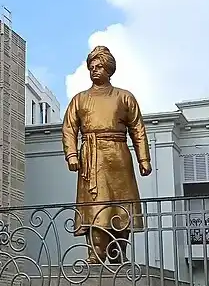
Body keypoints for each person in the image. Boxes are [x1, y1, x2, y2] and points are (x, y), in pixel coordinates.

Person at [61, 45, 152, 263]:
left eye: (99, 66)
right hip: (92, 158)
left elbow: (137, 128)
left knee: (121, 206)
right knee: (95, 207)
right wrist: (71, 154)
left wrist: (144, 158)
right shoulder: (79, 99)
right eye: (91, 67)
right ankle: (95, 254)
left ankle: (119, 252)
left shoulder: (124, 97)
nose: (95, 70)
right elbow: (69, 128)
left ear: (109, 69)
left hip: (118, 155)